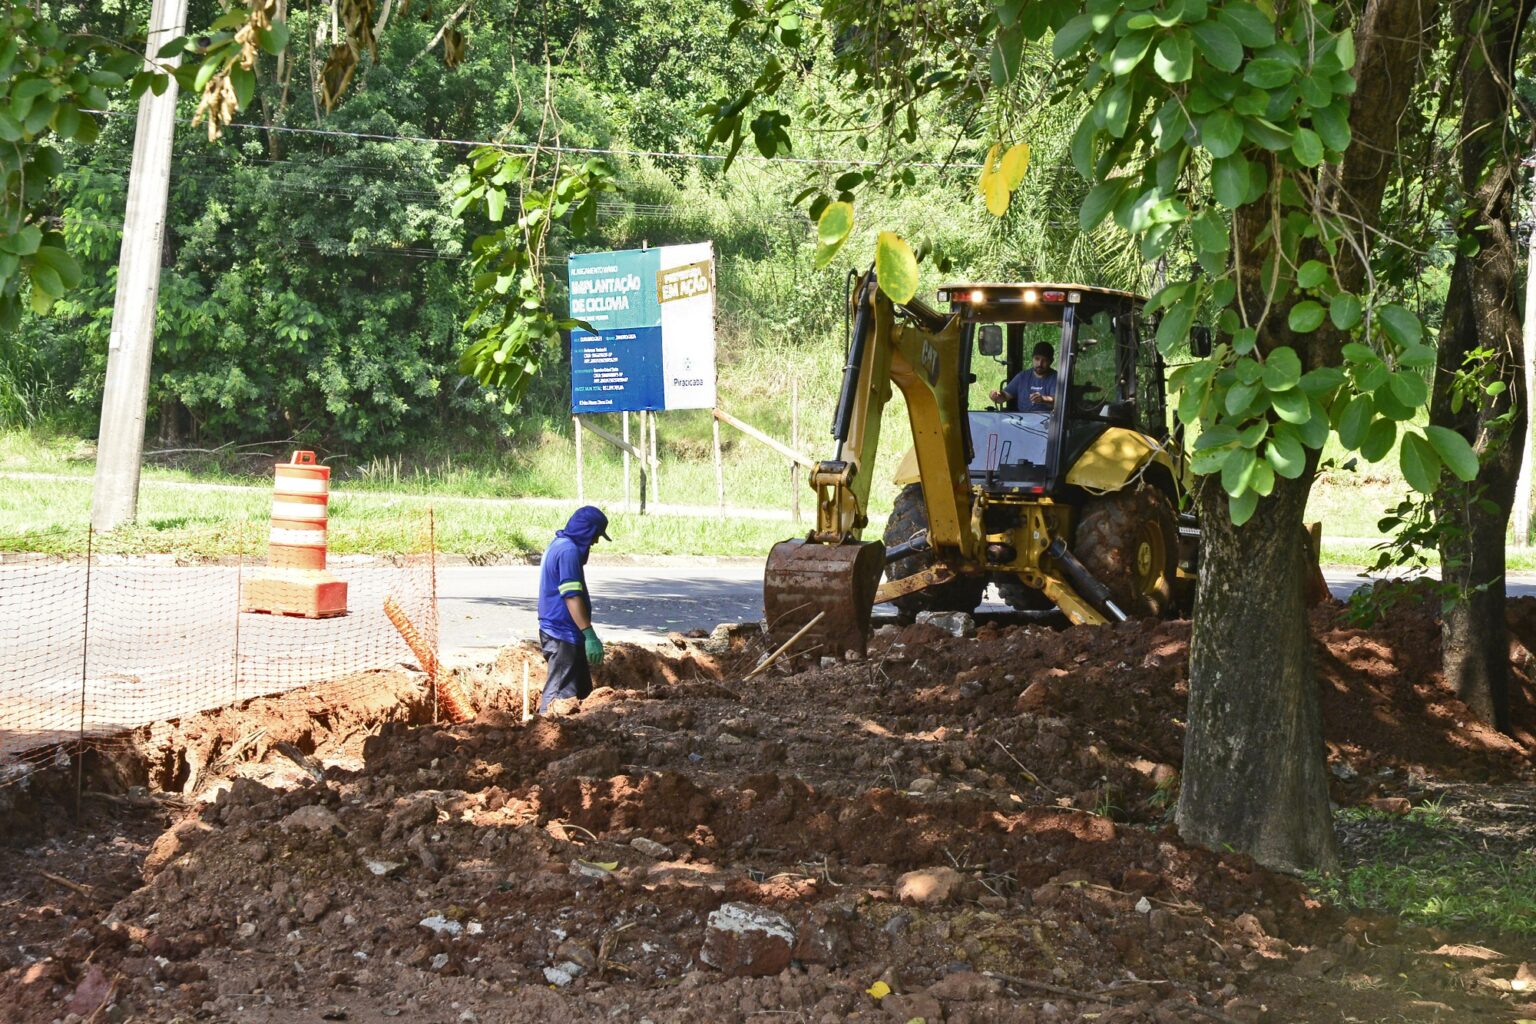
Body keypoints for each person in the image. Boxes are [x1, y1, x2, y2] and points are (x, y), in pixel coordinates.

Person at [536, 505, 612, 714]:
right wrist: (589, 634)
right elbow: (571, 596)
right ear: (586, 531)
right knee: (559, 697)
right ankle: (545, 734)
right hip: (562, 635)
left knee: (582, 693)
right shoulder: (568, 551)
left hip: (567, 633)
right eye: (595, 535)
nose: (595, 541)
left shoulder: (558, 545)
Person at [990, 341, 1058, 411]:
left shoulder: (1056, 378)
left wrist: (1043, 399)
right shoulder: (1022, 376)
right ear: (1032, 358)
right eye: (1037, 359)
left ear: (1051, 361)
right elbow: (1004, 397)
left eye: (1045, 360)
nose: (1040, 364)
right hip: (1022, 419)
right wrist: (996, 396)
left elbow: (1059, 402)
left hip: (1048, 420)